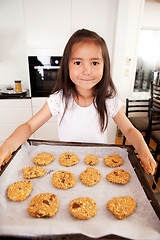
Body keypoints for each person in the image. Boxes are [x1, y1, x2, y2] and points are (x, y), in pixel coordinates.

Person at [0, 29, 157, 175]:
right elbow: (29, 126)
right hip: (66, 166)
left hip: (98, 167)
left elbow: (129, 130)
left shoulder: (108, 101)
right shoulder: (59, 100)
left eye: (94, 63)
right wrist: (8, 145)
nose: (86, 71)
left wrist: (143, 149)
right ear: (67, 65)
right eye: (78, 62)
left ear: (105, 66)